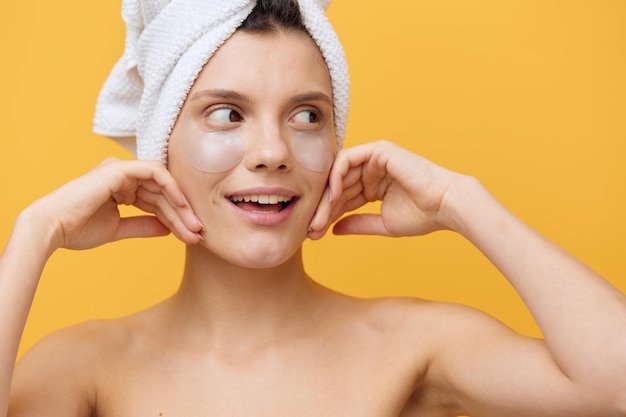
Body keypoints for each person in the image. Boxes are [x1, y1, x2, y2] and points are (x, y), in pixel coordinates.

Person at [1, 0, 625, 416]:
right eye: (227, 114)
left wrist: (462, 201)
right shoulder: (82, 369)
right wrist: (35, 233)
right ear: (160, 145)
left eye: (307, 116)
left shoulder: (409, 346)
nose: (273, 152)